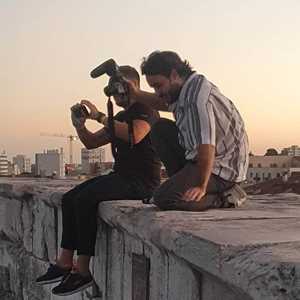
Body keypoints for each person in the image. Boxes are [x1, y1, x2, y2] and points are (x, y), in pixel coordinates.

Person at [36, 66, 161, 296]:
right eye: (112, 93)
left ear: (131, 87)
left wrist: (100, 116)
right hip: (122, 176)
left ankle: (82, 270)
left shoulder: (147, 109)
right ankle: (64, 262)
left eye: (119, 91)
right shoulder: (120, 117)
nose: (116, 97)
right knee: (70, 197)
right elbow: (92, 142)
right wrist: (80, 126)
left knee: (85, 199)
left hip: (142, 182)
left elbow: (136, 134)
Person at [126, 50, 249, 211]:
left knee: (165, 199)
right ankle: (182, 185)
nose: (157, 92)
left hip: (223, 169)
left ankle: (224, 197)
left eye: (158, 85)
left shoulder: (197, 100)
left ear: (174, 74)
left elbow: (207, 146)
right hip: (201, 159)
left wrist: (200, 186)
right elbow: (161, 103)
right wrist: (135, 94)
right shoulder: (185, 88)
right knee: (159, 129)